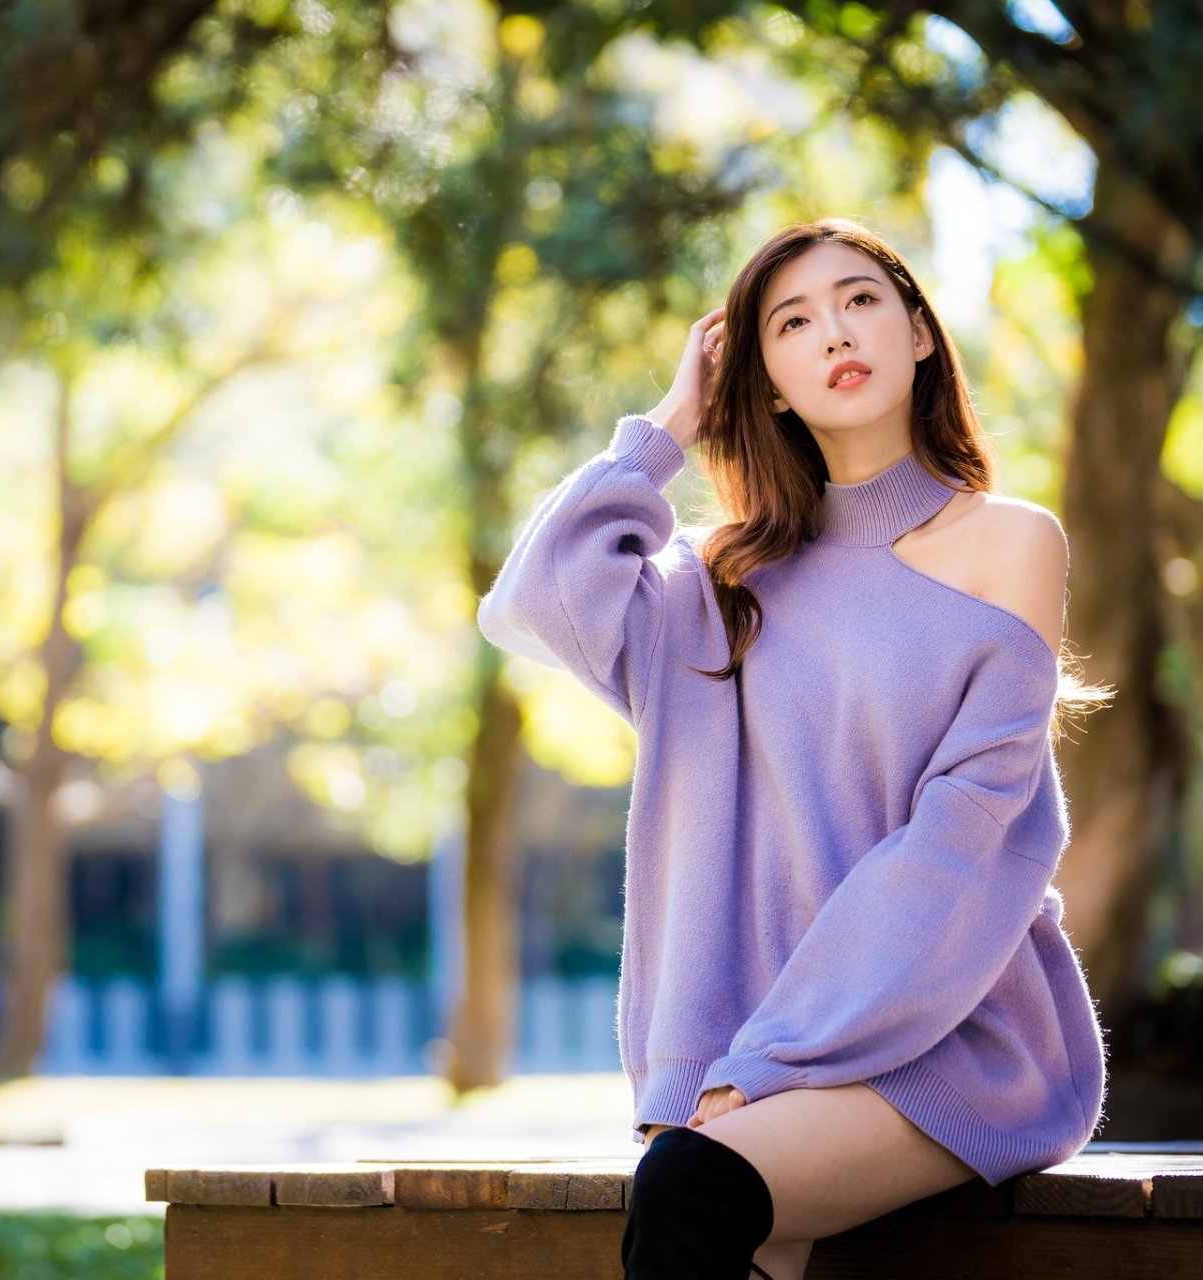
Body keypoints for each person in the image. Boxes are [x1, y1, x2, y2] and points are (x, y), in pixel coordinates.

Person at [476, 217, 1115, 1279]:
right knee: (714, 1208)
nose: (835, 332)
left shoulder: (1010, 541)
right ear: (762, 377)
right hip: (755, 1043)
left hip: (952, 1033)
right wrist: (667, 426)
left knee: (692, 1189)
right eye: (792, 321)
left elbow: (963, 828)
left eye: (861, 300)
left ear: (918, 332)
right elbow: (538, 599)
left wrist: (781, 1055)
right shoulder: (715, 583)